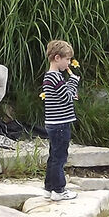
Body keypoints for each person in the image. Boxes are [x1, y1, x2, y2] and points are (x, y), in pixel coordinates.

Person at [41, 39, 80, 200]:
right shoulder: (55, 77)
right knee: (60, 158)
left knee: (53, 156)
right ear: (57, 58)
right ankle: (59, 190)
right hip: (60, 124)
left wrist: (69, 90)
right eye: (67, 59)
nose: (69, 63)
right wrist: (73, 82)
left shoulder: (51, 77)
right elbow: (67, 97)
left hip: (53, 123)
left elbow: (61, 96)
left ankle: (49, 187)